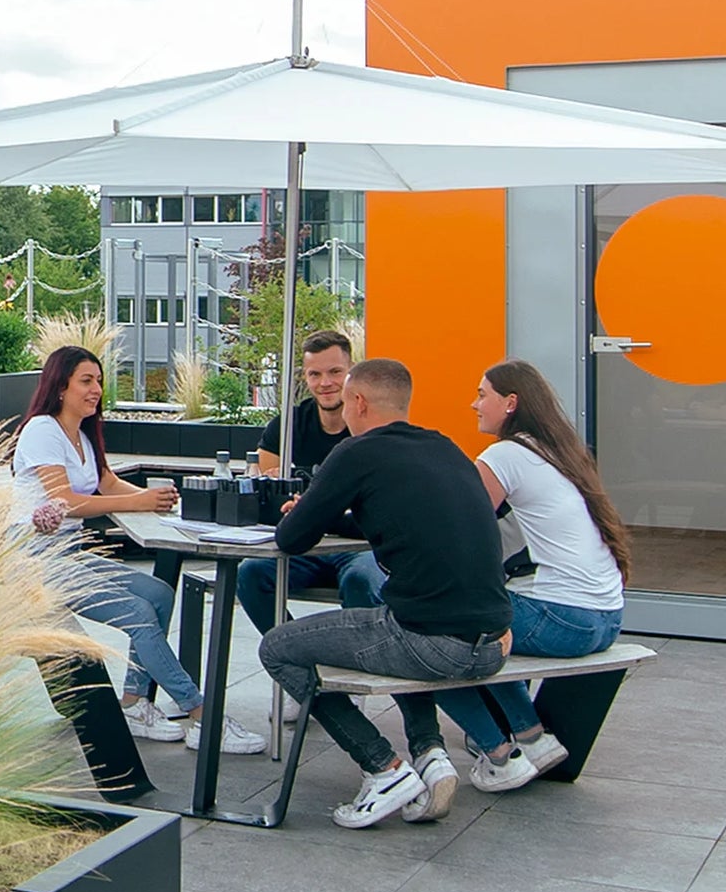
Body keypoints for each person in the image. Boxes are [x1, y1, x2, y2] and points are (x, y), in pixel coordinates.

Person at [254, 358, 509, 828]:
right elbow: (392, 520)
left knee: (278, 648)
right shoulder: (445, 448)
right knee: (384, 607)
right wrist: (330, 513)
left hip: (431, 642)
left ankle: (382, 768)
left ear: (358, 402)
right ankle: (426, 751)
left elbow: (291, 539)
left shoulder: (355, 453)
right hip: (492, 645)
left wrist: (306, 509)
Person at [398, 359, 633, 793]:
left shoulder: (506, 455)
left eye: (482, 394)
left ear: (510, 402)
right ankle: (532, 738)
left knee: (422, 638)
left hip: (564, 620)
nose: (474, 403)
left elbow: (456, 528)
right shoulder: (558, 451)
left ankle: (501, 752)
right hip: (605, 618)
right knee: (474, 624)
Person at [16, 345, 265, 753]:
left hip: (68, 551)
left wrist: (164, 502)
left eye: (98, 381)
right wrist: (139, 502)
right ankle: (202, 715)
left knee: (159, 594)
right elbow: (65, 503)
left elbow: (108, 484)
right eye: (86, 381)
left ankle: (133, 702)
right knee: (138, 613)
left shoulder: (81, 433)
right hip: (37, 560)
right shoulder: (43, 429)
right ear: (60, 386)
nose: (96, 389)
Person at [232, 329, 383, 628]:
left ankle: (356, 666)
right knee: (250, 574)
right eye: (315, 374)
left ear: (352, 372)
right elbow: (269, 492)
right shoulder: (287, 426)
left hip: (359, 547)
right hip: (303, 546)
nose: (325, 383)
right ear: (305, 377)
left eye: (335, 372)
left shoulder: (372, 426)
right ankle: (297, 661)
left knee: (361, 579)